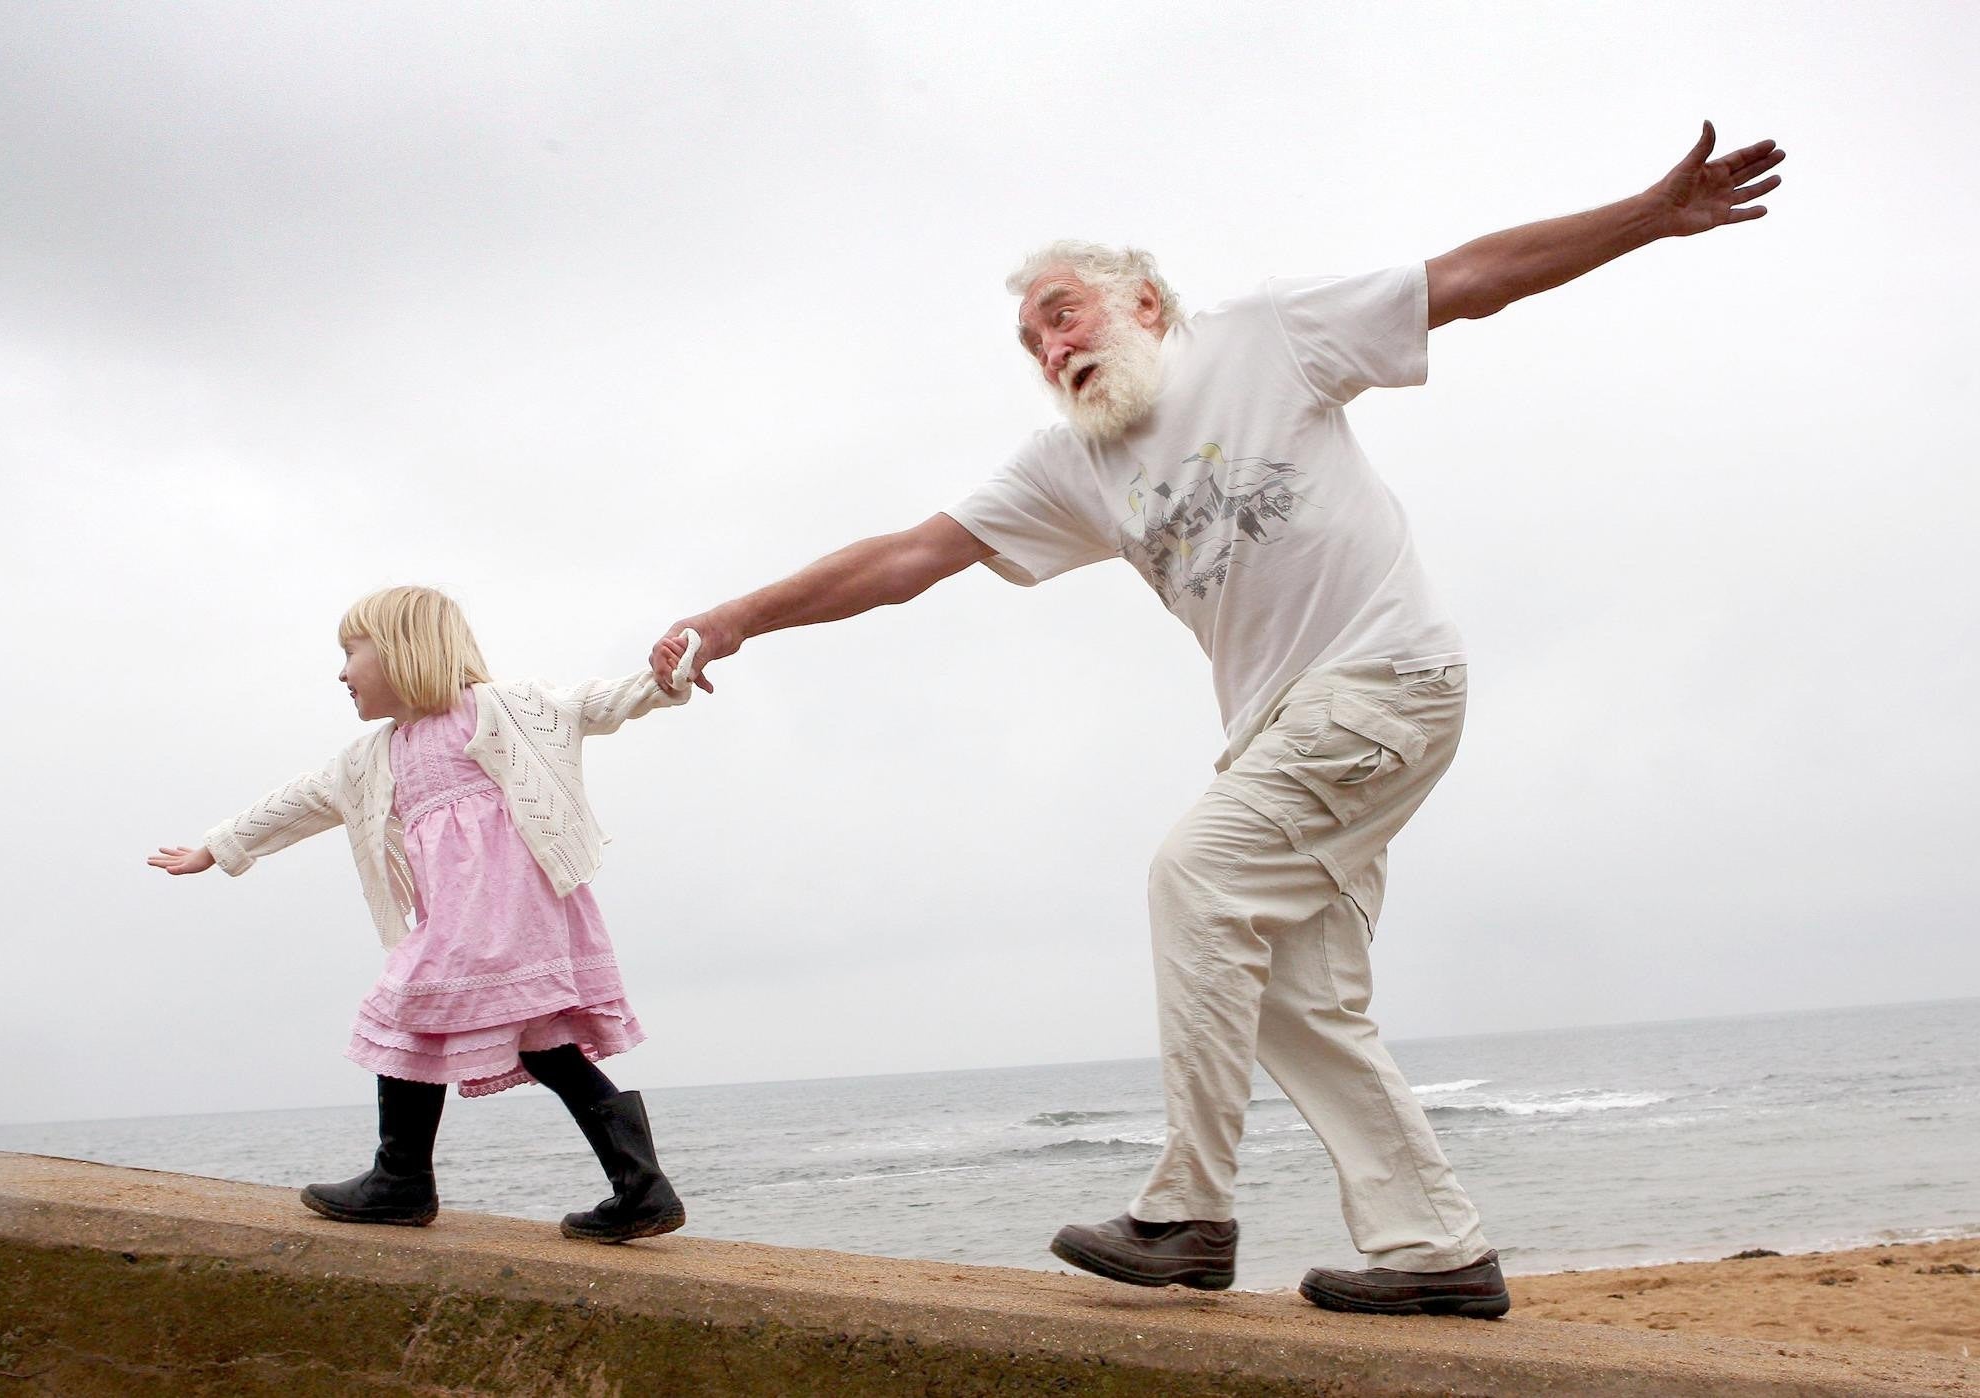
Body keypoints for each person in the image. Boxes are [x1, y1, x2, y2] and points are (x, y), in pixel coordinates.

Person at [650, 123, 1784, 1316]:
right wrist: (736, 617)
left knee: (1192, 878)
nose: (1049, 347)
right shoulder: (1071, 465)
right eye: (1032, 340)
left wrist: (1643, 216)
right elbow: (907, 556)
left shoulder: (1263, 337)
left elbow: (1463, 281)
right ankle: (1433, 1250)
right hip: (1287, 735)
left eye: (1063, 312)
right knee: (1298, 1000)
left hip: (1379, 683)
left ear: (1144, 299)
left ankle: (1187, 1210)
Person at [149, 584, 704, 1244]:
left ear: (401, 652)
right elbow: (299, 801)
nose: (341, 671)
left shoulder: (503, 709)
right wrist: (217, 847)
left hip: (508, 919)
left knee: (407, 1008)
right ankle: (639, 1187)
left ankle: (402, 1178)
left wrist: (662, 677)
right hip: (478, 928)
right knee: (547, 1047)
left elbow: (596, 704)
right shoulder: (373, 757)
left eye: (351, 652)